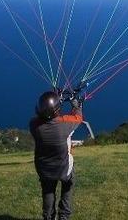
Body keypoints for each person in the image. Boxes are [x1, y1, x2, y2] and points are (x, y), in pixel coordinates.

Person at [29, 89, 84, 220]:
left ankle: (48, 217)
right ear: (56, 110)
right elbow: (78, 117)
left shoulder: (34, 125)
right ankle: (64, 216)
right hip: (63, 168)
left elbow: (43, 117)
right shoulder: (65, 124)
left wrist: (55, 100)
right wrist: (76, 105)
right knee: (68, 186)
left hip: (44, 169)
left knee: (48, 191)